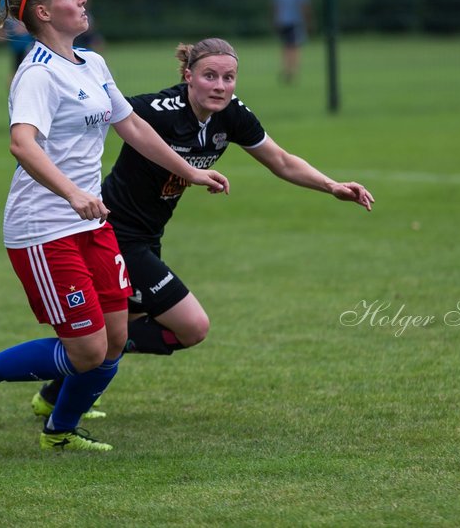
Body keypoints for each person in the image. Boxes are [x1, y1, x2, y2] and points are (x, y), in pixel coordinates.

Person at [0, 0, 230, 452]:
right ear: (44, 13)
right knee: (86, 350)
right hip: (44, 229)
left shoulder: (91, 63)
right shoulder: (38, 74)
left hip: (92, 222)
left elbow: (135, 129)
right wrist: (72, 193)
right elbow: (23, 145)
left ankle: (59, 431)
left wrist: (189, 171)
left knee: (114, 337)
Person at [31, 37, 374, 417]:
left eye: (228, 77)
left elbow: (280, 160)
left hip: (149, 235)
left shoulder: (232, 116)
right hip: (117, 233)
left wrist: (332, 186)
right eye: (209, 76)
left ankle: (57, 394)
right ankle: (34, 370)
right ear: (188, 76)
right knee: (191, 326)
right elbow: (105, 116)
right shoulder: (158, 110)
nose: (220, 86)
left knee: (121, 330)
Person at [272, 0, 312, 84]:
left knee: (285, 46)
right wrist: (308, 20)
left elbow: (276, 6)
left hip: (282, 21)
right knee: (295, 46)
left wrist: (275, 20)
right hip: (295, 21)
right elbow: (304, 6)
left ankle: (286, 69)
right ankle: (293, 71)